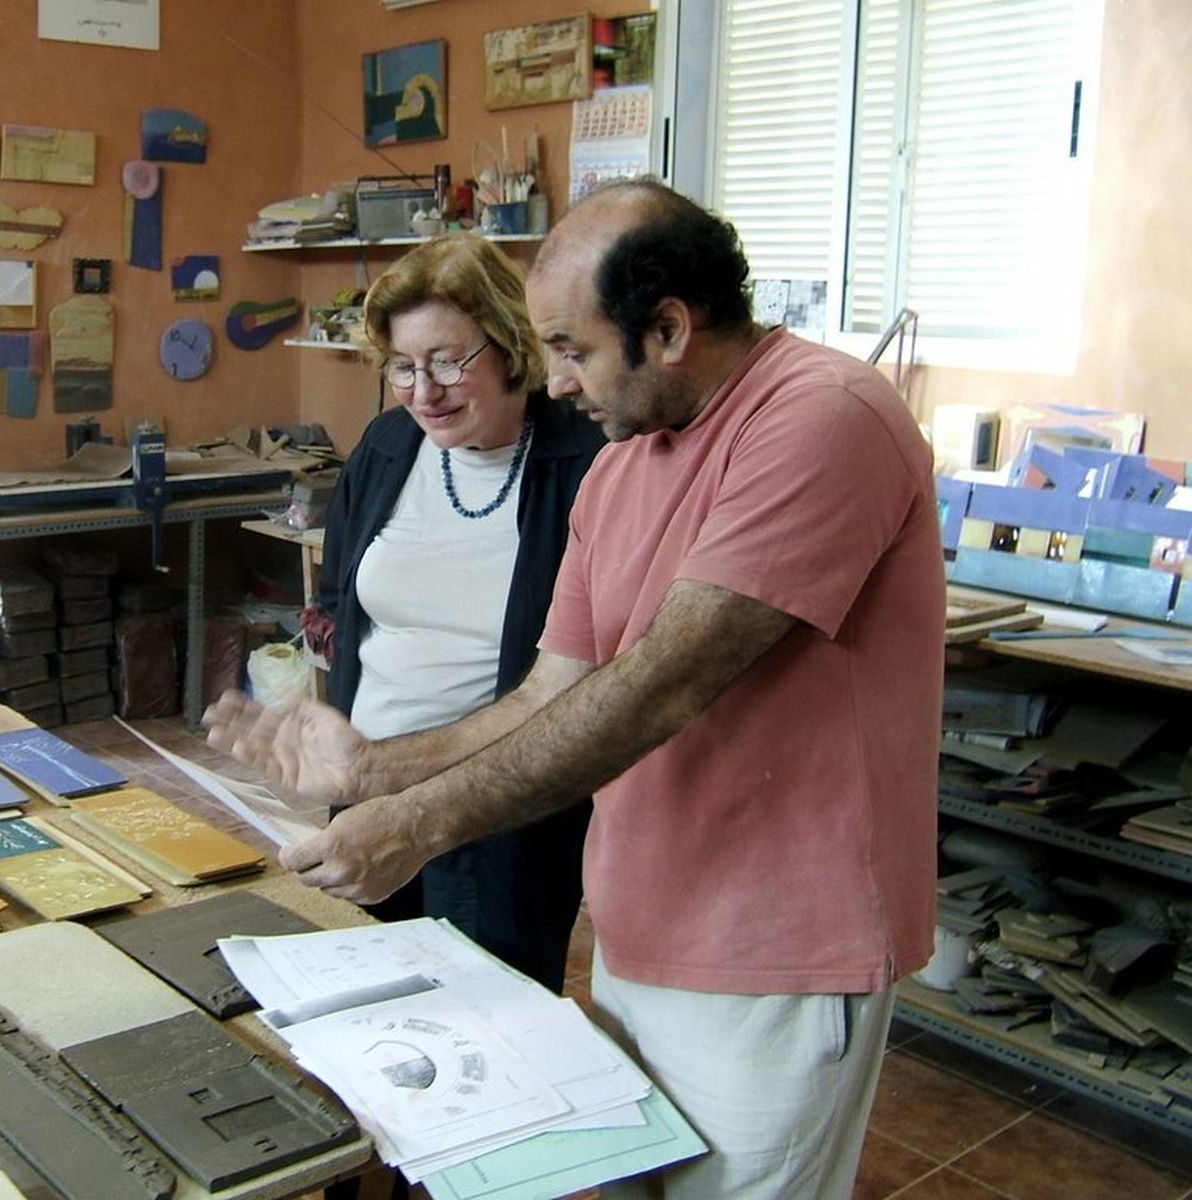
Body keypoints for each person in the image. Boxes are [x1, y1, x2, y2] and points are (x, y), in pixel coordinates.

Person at [206, 179, 944, 1199]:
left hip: (777, 951)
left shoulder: (820, 419)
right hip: (643, 921)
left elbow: (655, 690)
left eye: (570, 349)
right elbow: (550, 692)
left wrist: (417, 825)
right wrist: (374, 769)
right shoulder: (625, 463)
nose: (552, 383)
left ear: (669, 328)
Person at [309, 231, 605, 992]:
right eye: (403, 368)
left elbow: (587, 671)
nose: (424, 392)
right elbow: (339, 602)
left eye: (448, 361)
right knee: (367, 1006)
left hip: (493, 815)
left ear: (510, 346)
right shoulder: (386, 446)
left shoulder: (587, 465)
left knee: (485, 1026)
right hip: (368, 786)